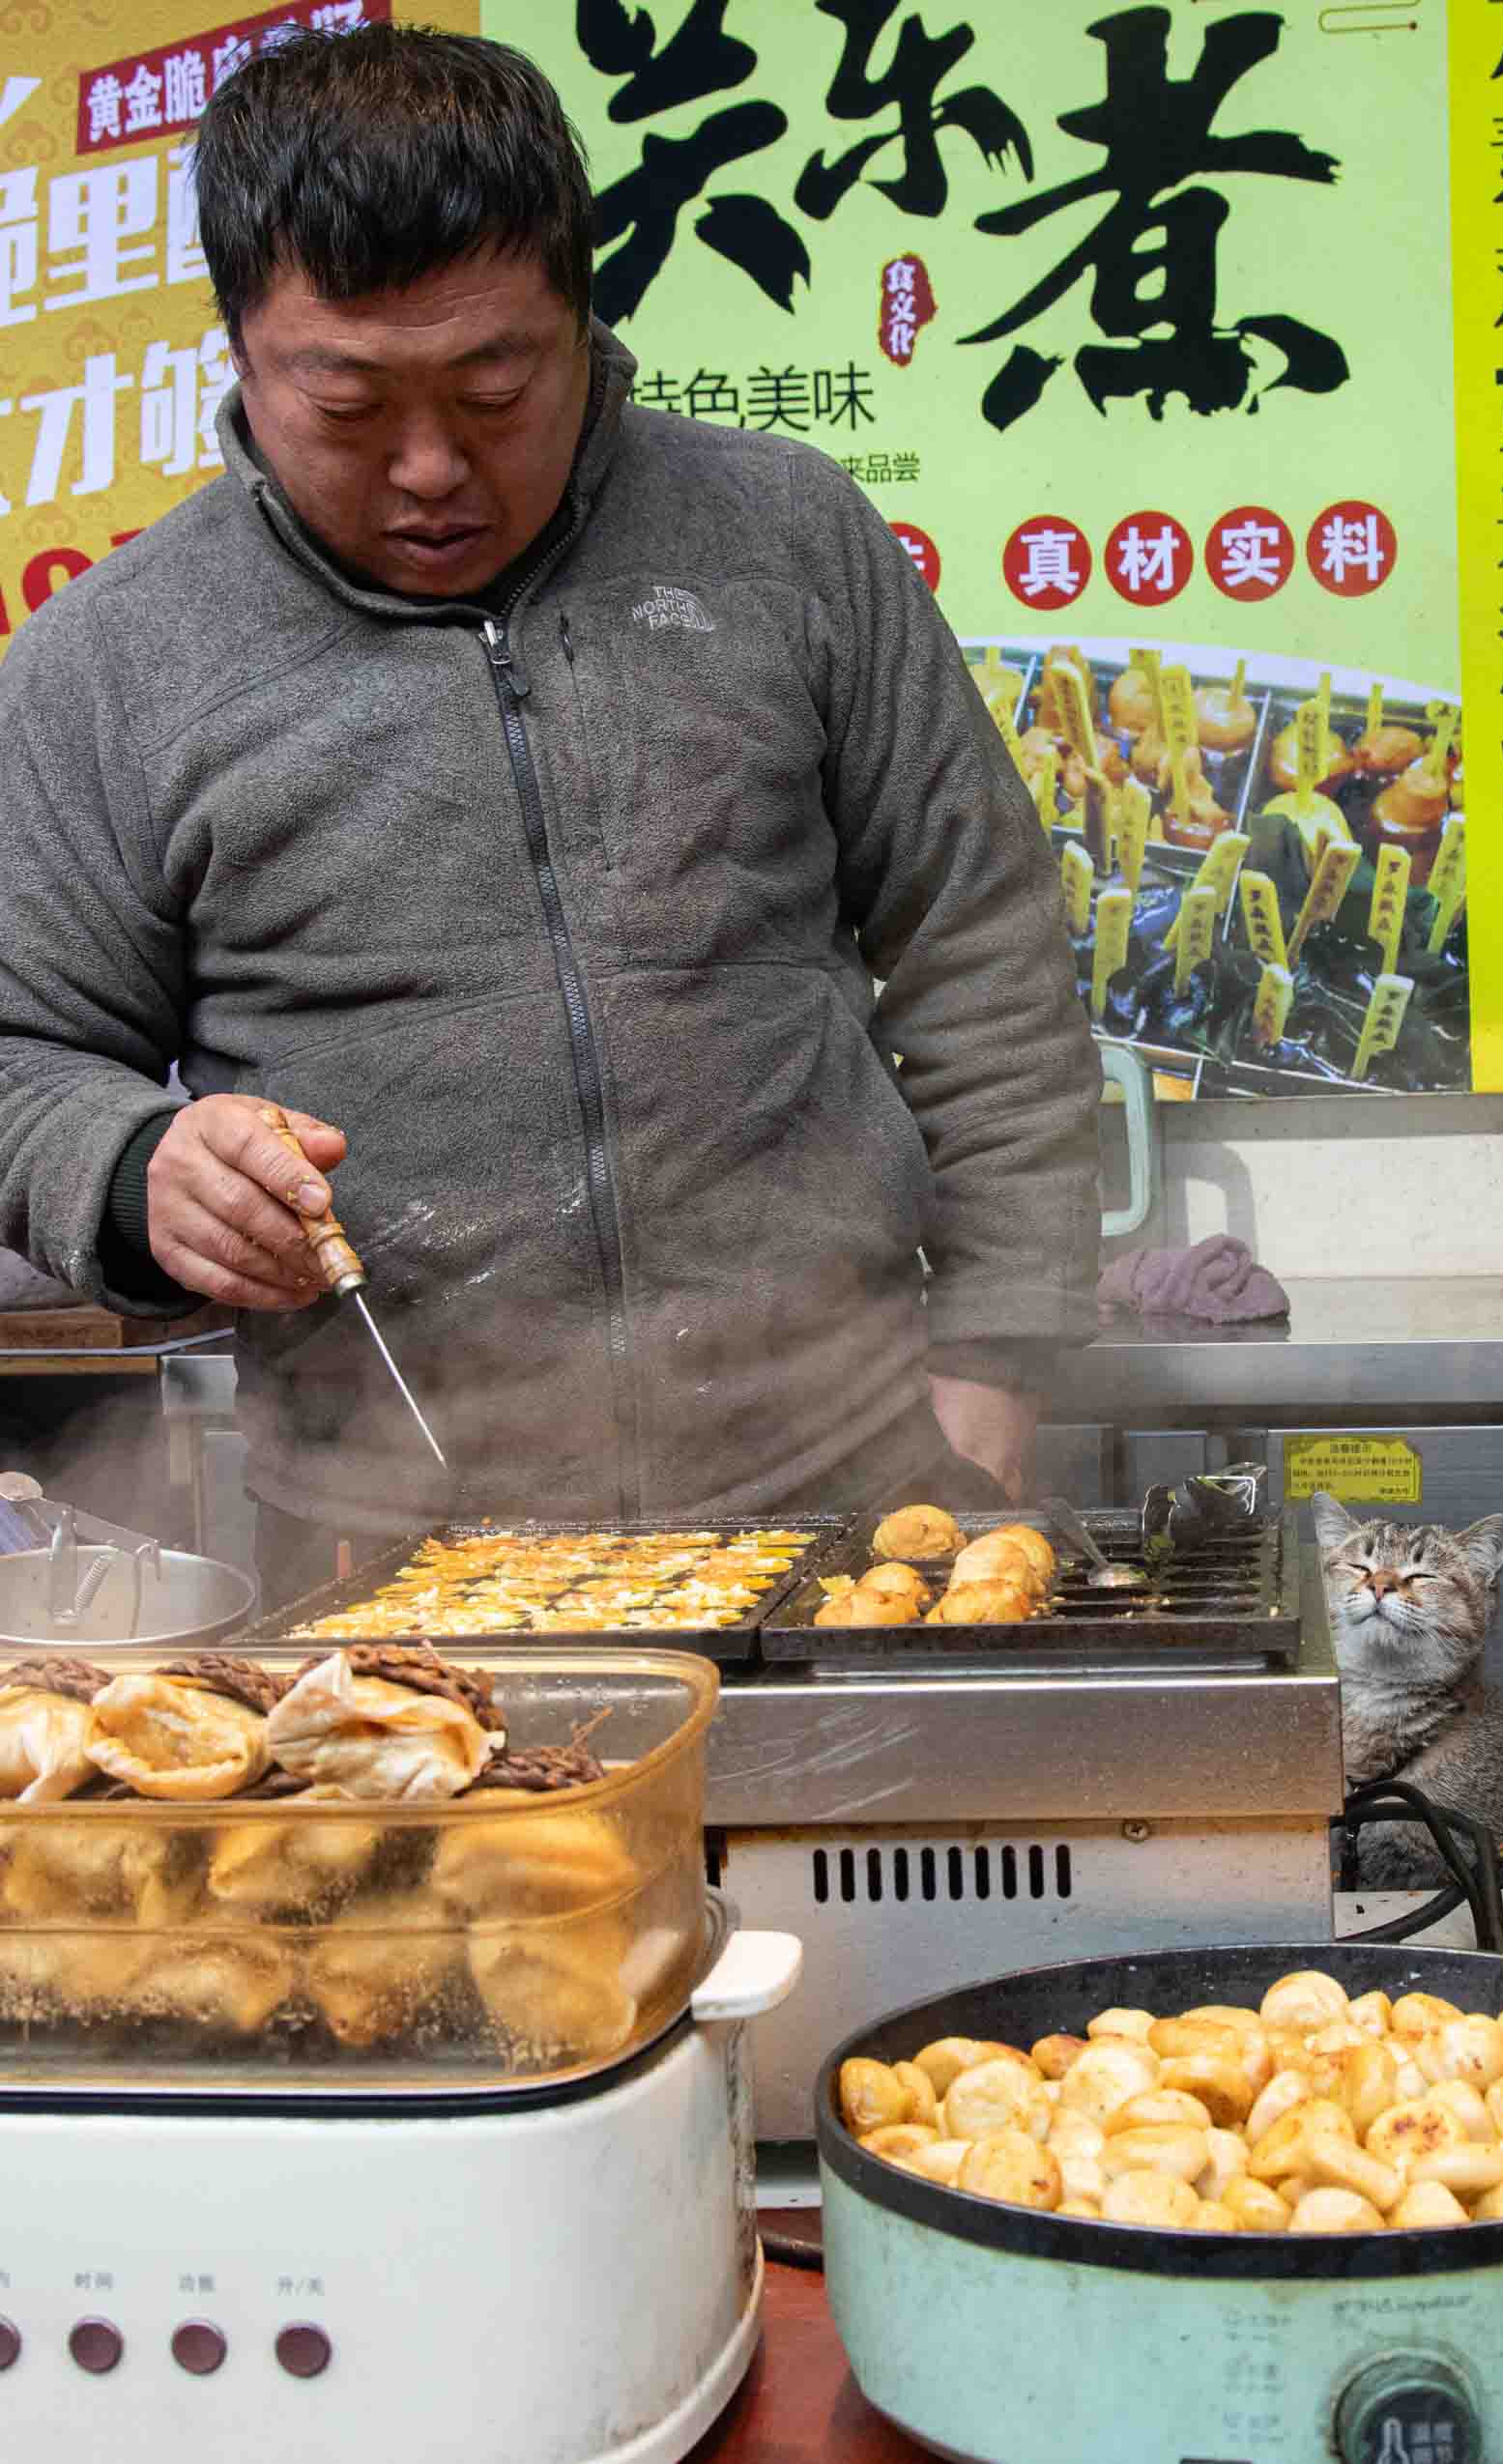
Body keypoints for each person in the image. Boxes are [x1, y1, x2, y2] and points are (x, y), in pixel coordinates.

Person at [0, 27, 1101, 1597]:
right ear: (239, 349)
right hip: (390, 1546)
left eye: (496, 388)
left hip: (850, 1487)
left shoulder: (785, 541)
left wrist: (997, 1354)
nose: (431, 467)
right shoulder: (113, 662)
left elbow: (981, 947)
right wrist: (131, 1165)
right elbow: (19, 1050)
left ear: (581, 321)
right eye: (350, 404)